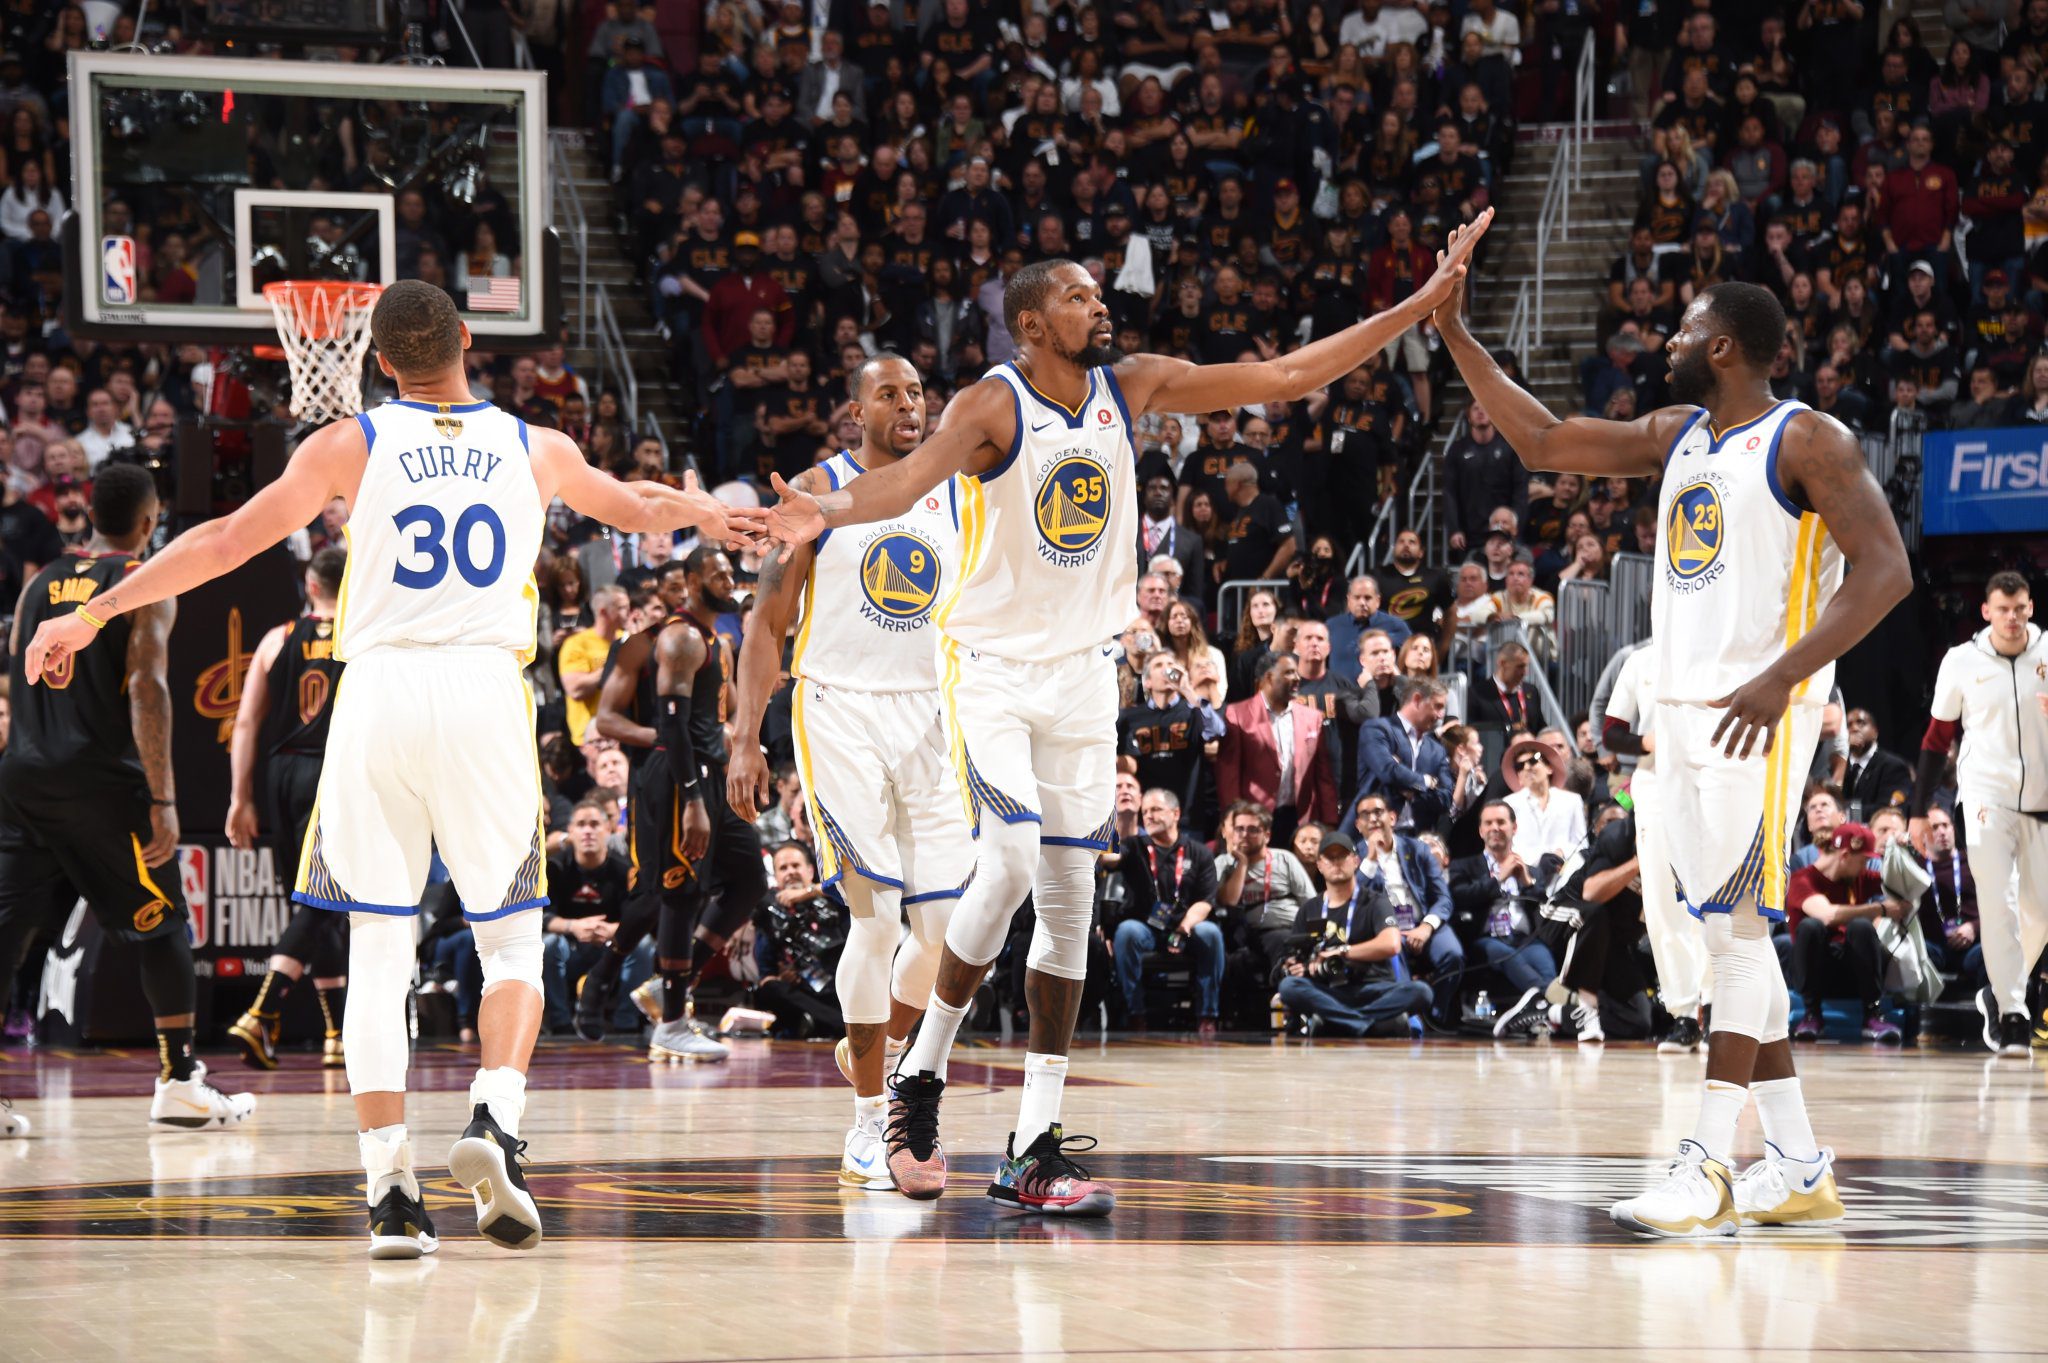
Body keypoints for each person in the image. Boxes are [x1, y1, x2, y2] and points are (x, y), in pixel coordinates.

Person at [760, 216, 1493, 1214]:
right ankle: (918, 1074)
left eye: (1098, 292)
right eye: (1076, 294)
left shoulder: (1130, 384)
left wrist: (1414, 306)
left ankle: (1032, 1147)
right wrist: (825, 509)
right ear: (1028, 322)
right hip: (990, 671)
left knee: (1067, 905)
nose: (1098, 304)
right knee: (1007, 863)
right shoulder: (991, 402)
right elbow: (902, 480)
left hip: (1081, 677)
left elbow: (1283, 376)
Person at [23, 281, 762, 1258]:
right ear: (468, 339)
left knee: (378, 949)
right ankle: (495, 1116)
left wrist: (91, 613)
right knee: (511, 946)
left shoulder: (351, 443)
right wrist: (716, 514)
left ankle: (390, 1195)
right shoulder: (537, 446)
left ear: (375, 362)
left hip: (376, 696)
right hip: (483, 693)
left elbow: (223, 540)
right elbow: (641, 503)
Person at [1435, 273, 1911, 1236]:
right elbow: (1542, 439)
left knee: (1736, 935)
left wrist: (1784, 676)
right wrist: (1454, 331)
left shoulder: (1808, 439)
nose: (1667, 341)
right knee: (1729, 941)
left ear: (1724, 345)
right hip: (1685, 718)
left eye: (1685, 328)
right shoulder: (1679, 433)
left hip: (1759, 714)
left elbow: (1888, 570)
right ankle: (1797, 1161)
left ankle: (1707, 1165)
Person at [726, 352, 974, 1195]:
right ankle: (869, 1122)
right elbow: (767, 623)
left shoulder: (954, 487)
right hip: (838, 711)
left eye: (917, 393)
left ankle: (881, 1040)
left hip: (932, 717)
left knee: (944, 932)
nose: (909, 405)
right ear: (856, 412)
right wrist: (745, 738)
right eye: (888, 394)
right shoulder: (816, 491)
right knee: (874, 921)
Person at [0, 465, 256, 1134]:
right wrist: (162, 797)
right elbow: (147, 685)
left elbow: (17, 673)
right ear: (150, 521)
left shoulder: (36, 582)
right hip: (100, 785)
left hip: (23, 776)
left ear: (89, 515)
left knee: (7, 930)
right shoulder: (144, 581)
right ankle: (179, 1081)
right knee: (162, 923)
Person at [591, 552, 767, 1064]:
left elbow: (724, 715)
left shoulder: (719, 641)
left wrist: (744, 748)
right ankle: (668, 1020)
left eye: (731, 573)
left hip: (711, 771)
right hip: (673, 774)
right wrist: (691, 796)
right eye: (717, 575)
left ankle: (669, 982)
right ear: (690, 583)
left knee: (750, 879)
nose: (729, 581)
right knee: (675, 891)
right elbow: (665, 725)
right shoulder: (676, 639)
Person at [1911, 571, 2048, 1057]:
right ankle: (2013, 1014)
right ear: (1986, 611)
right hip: (1985, 795)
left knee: (2040, 912)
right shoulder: (1961, 661)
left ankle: (1997, 990)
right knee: (1998, 901)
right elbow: (1936, 739)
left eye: (2019, 608)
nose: (2012, 617)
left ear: (2031, 608)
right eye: (2002, 609)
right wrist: (1917, 810)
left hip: (2042, 798)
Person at [224, 546, 350, 1071]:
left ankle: (336, 1034)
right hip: (334, 772)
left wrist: (240, 797)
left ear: (310, 585)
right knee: (323, 900)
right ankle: (263, 1010)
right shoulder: (361, 635)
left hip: (281, 774)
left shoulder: (277, 638)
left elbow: (246, 722)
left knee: (314, 903)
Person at [1601, 640, 1710, 1052]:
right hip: (1655, 781)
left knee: (1716, 894)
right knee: (1664, 902)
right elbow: (1611, 732)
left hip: (1712, 777)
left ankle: (1717, 1007)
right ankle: (1685, 1013)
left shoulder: (1717, 648)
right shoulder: (1640, 660)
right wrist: (1647, 743)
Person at [1278, 831, 1435, 1036]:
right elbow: (1294, 956)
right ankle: (1365, 1024)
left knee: (1421, 992)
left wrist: (1342, 952)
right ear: (1320, 865)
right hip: (1330, 991)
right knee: (1289, 986)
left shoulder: (1376, 902)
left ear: (1355, 861)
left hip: (1374, 988)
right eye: (1329, 858)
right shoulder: (1309, 909)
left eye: (1342, 856)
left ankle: (1339, 1022)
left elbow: (1391, 944)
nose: (1336, 863)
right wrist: (1297, 966)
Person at [1110, 788, 1223, 1034]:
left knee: (1211, 933)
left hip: (1186, 926)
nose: (1149, 816)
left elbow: (1205, 901)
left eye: (1156, 809)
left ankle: (1207, 1016)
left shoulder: (1199, 852)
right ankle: (1135, 1013)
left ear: (1176, 813)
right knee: (1127, 932)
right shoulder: (1133, 845)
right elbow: (1111, 860)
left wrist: (1184, 928)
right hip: (1146, 927)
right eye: (1145, 812)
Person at [1784, 823, 1909, 1044]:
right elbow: (1828, 915)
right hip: (1815, 975)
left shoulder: (1857, 877)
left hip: (1854, 973)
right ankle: (1812, 1015)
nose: (1865, 866)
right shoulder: (1802, 880)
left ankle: (1873, 1015)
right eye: (1863, 860)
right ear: (1844, 856)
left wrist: (1905, 852)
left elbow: (1902, 880)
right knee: (1811, 927)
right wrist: (1880, 909)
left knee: (1861, 927)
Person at [1447, 800, 1557, 1038]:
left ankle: (1546, 1009)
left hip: (1524, 939)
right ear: (1480, 831)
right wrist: (1498, 878)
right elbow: (1461, 896)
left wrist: (1527, 882)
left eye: (1501, 822)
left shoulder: (1529, 869)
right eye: (1488, 823)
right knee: (1507, 956)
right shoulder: (1464, 866)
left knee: (1545, 961)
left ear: (1513, 828)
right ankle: (1553, 1005)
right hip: (1486, 939)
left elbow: (1545, 905)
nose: (1495, 828)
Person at [1217, 651, 1339, 843]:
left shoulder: (1312, 717)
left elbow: (1323, 775)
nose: (1297, 678)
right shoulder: (1237, 714)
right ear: (1269, 678)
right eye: (1289, 672)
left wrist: (1329, 820)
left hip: (1300, 819)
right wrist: (1233, 818)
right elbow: (1229, 774)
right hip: (1254, 819)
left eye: (1296, 672)